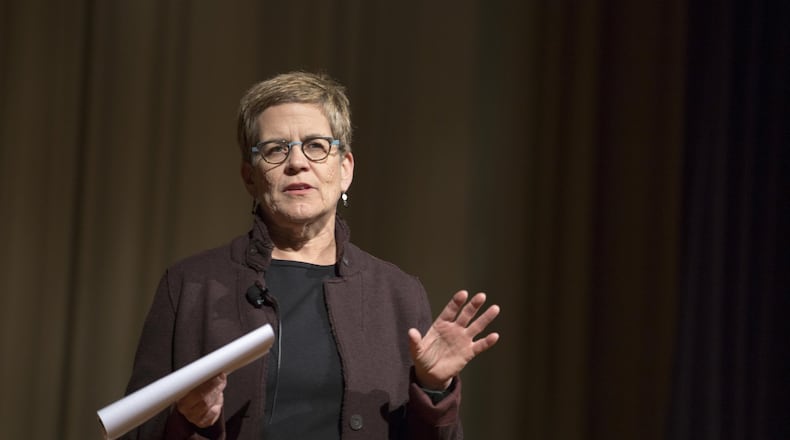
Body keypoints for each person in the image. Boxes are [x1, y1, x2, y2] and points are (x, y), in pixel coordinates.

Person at [122, 71, 500, 439]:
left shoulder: (398, 294)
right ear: (249, 177)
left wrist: (434, 390)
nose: (297, 162)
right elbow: (136, 429)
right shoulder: (190, 285)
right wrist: (188, 421)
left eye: (317, 146)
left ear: (345, 169)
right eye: (275, 149)